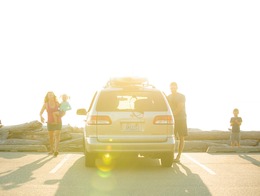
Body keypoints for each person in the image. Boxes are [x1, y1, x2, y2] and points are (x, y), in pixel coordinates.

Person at [167, 82, 188, 162]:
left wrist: (171, 115)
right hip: (172, 120)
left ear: (177, 87)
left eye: (174, 88)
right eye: (171, 88)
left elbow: (180, 107)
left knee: (182, 137)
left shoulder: (181, 96)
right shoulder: (168, 97)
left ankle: (179, 156)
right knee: (172, 138)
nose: (173, 89)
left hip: (181, 119)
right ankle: (171, 155)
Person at [39, 91, 62, 157]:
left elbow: (63, 110)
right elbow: (41, 112)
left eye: (51, 95)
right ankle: (51, 150)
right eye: (49, 95)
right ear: (47, 96)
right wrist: (41, 117)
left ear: (54, 96)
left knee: (57, 135)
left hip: (58, 121)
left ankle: (56, 150)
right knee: (51, 137)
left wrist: (61, 114)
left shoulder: (57, 103)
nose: (50, 96)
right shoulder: (45, 104)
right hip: (50, 122)